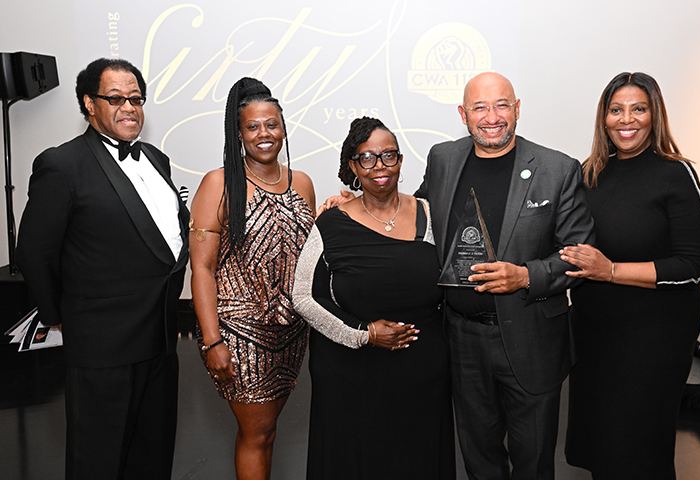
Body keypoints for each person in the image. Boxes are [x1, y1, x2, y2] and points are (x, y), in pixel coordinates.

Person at [414, 72, 595, 480]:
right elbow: (416, 216)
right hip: (461, 339)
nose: (492, 117)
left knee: (533, 461)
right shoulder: (443, 159)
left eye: (501, 105)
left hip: (532, 338)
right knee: (479, 459)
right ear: (463, 114)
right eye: (479, 107)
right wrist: (358, 202)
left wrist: (525, 276)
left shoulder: (557, 168)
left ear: (517, 109)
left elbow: (579, 255)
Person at [16, 58, 189, 479]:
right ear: (89, 104)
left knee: (152, 459)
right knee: (98, 463)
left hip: (161, 341)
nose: (129, 107)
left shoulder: (157, 159)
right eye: (116, 98)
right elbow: (34, 252)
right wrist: (61, 316)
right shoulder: (62, 164)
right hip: (102, 349)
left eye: (136, 98)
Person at [561, 72, 700, 480]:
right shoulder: (589, 173)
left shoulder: (676, 174)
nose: (626, 119)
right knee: (601, 446)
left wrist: (610, 271)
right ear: (604, 117)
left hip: (655, 336)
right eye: (616, 110)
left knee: (638, 448)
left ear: (654, 115)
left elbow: (696, 265)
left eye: (638, 109)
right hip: (594, 333)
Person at [292, 116, 456, 480]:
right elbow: (302, 296)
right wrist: (364, 334)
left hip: (422, 376)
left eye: (388, 156)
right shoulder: (330, 223)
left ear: (400, 160)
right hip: (351, 378)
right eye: (366, 158)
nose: (379, 166)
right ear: (352, 166)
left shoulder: (432, 214)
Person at [189, 77, 315, 480]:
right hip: (238, 332)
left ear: (284, 128)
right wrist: (212, 342)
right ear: (239, 133)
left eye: (272, 124)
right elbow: (202, 268)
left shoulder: (302, 183)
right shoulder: (219, 183)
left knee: (266, 431)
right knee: (256, 433)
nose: (264, 134)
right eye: (253, 126)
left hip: (291, 332)